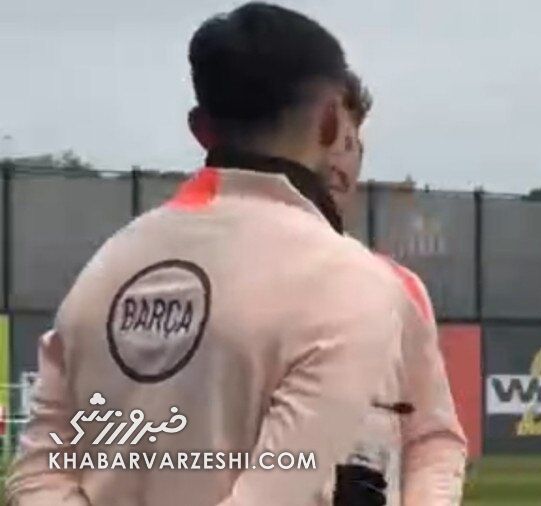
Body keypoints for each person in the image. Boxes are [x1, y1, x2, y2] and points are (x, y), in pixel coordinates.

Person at [6, 3, 410, 505]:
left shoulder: (103, 270)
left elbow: (37, 479)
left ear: (201, 129)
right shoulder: (352, 281)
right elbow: (278, 492)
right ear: (331, 121)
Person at [318, 73, 467, 506]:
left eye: (349, 145)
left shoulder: (398, 289)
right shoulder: (209, 277)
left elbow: (434, 441)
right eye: (322, 139)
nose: (337, 161)